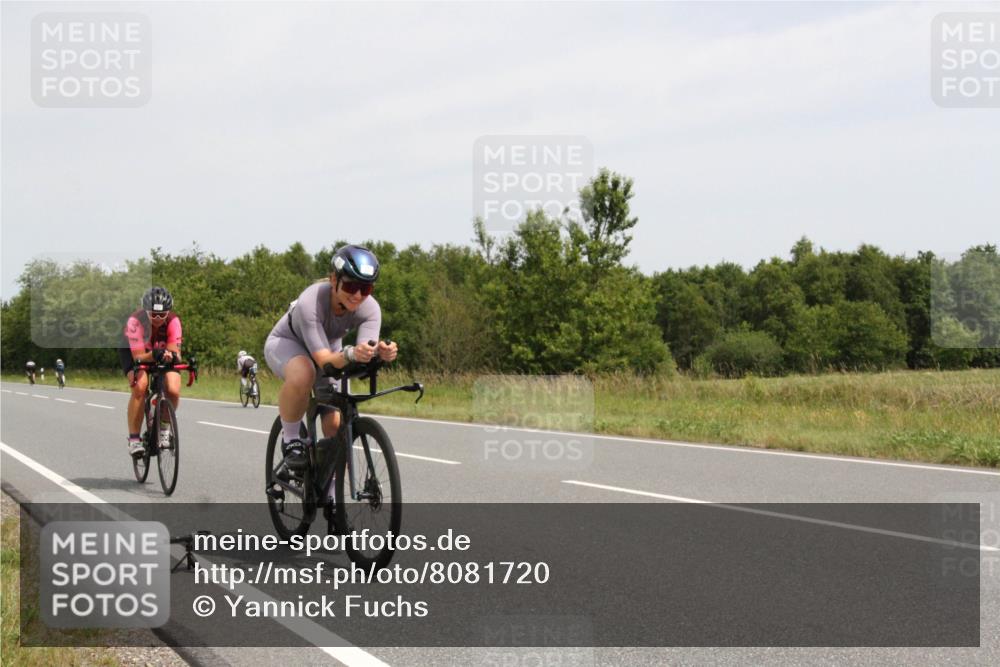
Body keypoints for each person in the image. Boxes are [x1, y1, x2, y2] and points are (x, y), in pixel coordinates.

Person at [264, 245, 397, 478]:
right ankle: (291, 439)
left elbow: (363, 352)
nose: (358, 295)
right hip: (287, 343)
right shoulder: (310, 301)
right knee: (305, 373)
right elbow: (324, 360)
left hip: (330, 348)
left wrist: (379, 353)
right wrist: (351, 354)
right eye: (351, 286)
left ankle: (332, 492)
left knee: (337, 427)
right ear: (334, 279)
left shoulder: (370, 309)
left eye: (366, 288)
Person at [118, 286, 183, 457]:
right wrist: (155, 354)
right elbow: (138, 357)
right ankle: (134, 440)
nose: (158, 318)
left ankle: (164, 430)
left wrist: (171, 356)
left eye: (162, 314)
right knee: (140, 386)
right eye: (153, 314)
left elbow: (174, 351)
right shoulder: (135, 321)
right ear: (145, 311)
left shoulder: (174, 321)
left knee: (173, 389)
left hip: (158, 352)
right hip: (134, 352)